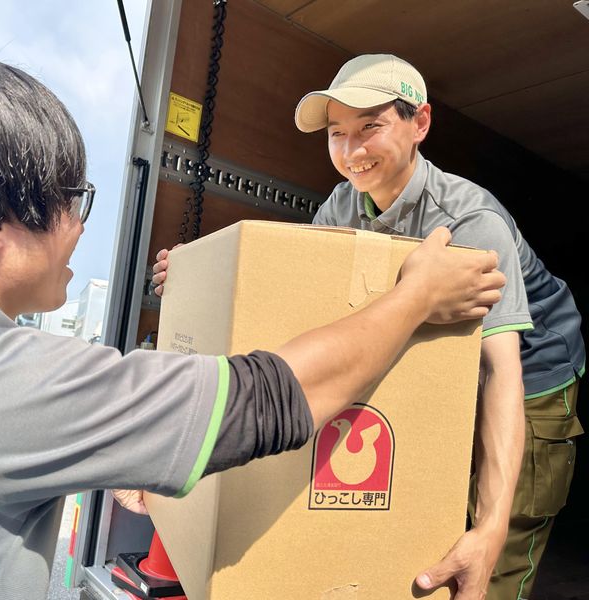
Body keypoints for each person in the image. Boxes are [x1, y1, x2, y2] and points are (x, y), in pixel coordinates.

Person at [0, 51, 504, 600]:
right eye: (71, 198)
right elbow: (268, 399)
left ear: (420, 124)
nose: (79, 225)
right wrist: (416, 297)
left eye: (368, 127)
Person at [154, 53, 584, 600]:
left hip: (532, 374)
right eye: (337, 133)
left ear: (420, 123)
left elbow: (502, 373)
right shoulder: (343, 203)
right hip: (447, 363)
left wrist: (491, 530)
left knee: (491, 550)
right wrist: (198, 276)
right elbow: (297, 298)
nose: (351, 151)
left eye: (370, 127)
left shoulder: (471, 222)